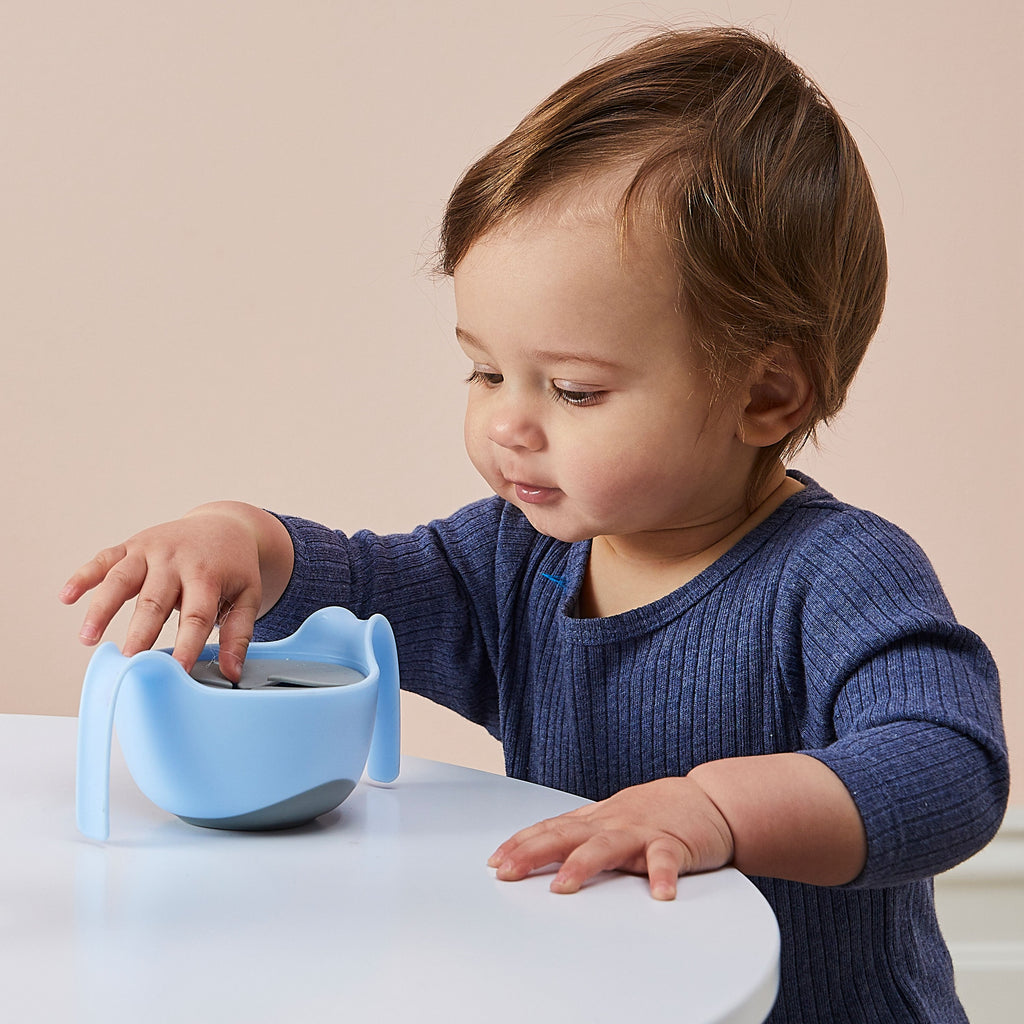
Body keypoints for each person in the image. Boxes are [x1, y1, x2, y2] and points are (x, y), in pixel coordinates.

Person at [61, 26, 1007, 1023]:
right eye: (483, 369)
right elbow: (371, 586)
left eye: (572, 388)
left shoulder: (840, 574)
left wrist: (716, 811)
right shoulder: (520, 560)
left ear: (766, 396)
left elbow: (947, 766)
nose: (508, 421)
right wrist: (243, 535)